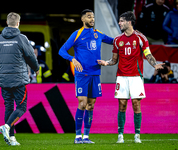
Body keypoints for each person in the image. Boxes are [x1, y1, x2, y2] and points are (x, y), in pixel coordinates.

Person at [97, 11, 164, 143]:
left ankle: (137, 135)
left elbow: (147, 54)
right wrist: (107, 62)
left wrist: (154, 64)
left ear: (129, 21)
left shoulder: (140, 38)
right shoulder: (117, 40)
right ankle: (120, 135)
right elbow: (114, 59)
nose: (119, 23)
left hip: (136, 77)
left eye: (121, 21)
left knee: (136, 104)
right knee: (122, 105)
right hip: (121, 77)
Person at [58, 9, 114, 144]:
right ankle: (77, 136)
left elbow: (113, 41)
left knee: (91, 105)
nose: (92, 19)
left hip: (95, 73)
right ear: (83, 19)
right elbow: (62, 50)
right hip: (82, 74)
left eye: (93, 17)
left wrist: (127, 36)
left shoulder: (98, 34)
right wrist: (72, 59)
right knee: (82, 103)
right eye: (89, 17)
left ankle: (86, 136)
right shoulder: (77, 34)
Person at [0, 12, 39, 146]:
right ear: (18, 23)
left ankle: (11, 139)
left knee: (9, 107)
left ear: (7, 22)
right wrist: (37, 68)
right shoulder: (21, 38)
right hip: (19, 80)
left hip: (4, 80)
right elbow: (30, 56)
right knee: (21, 107)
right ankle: (7, 126)